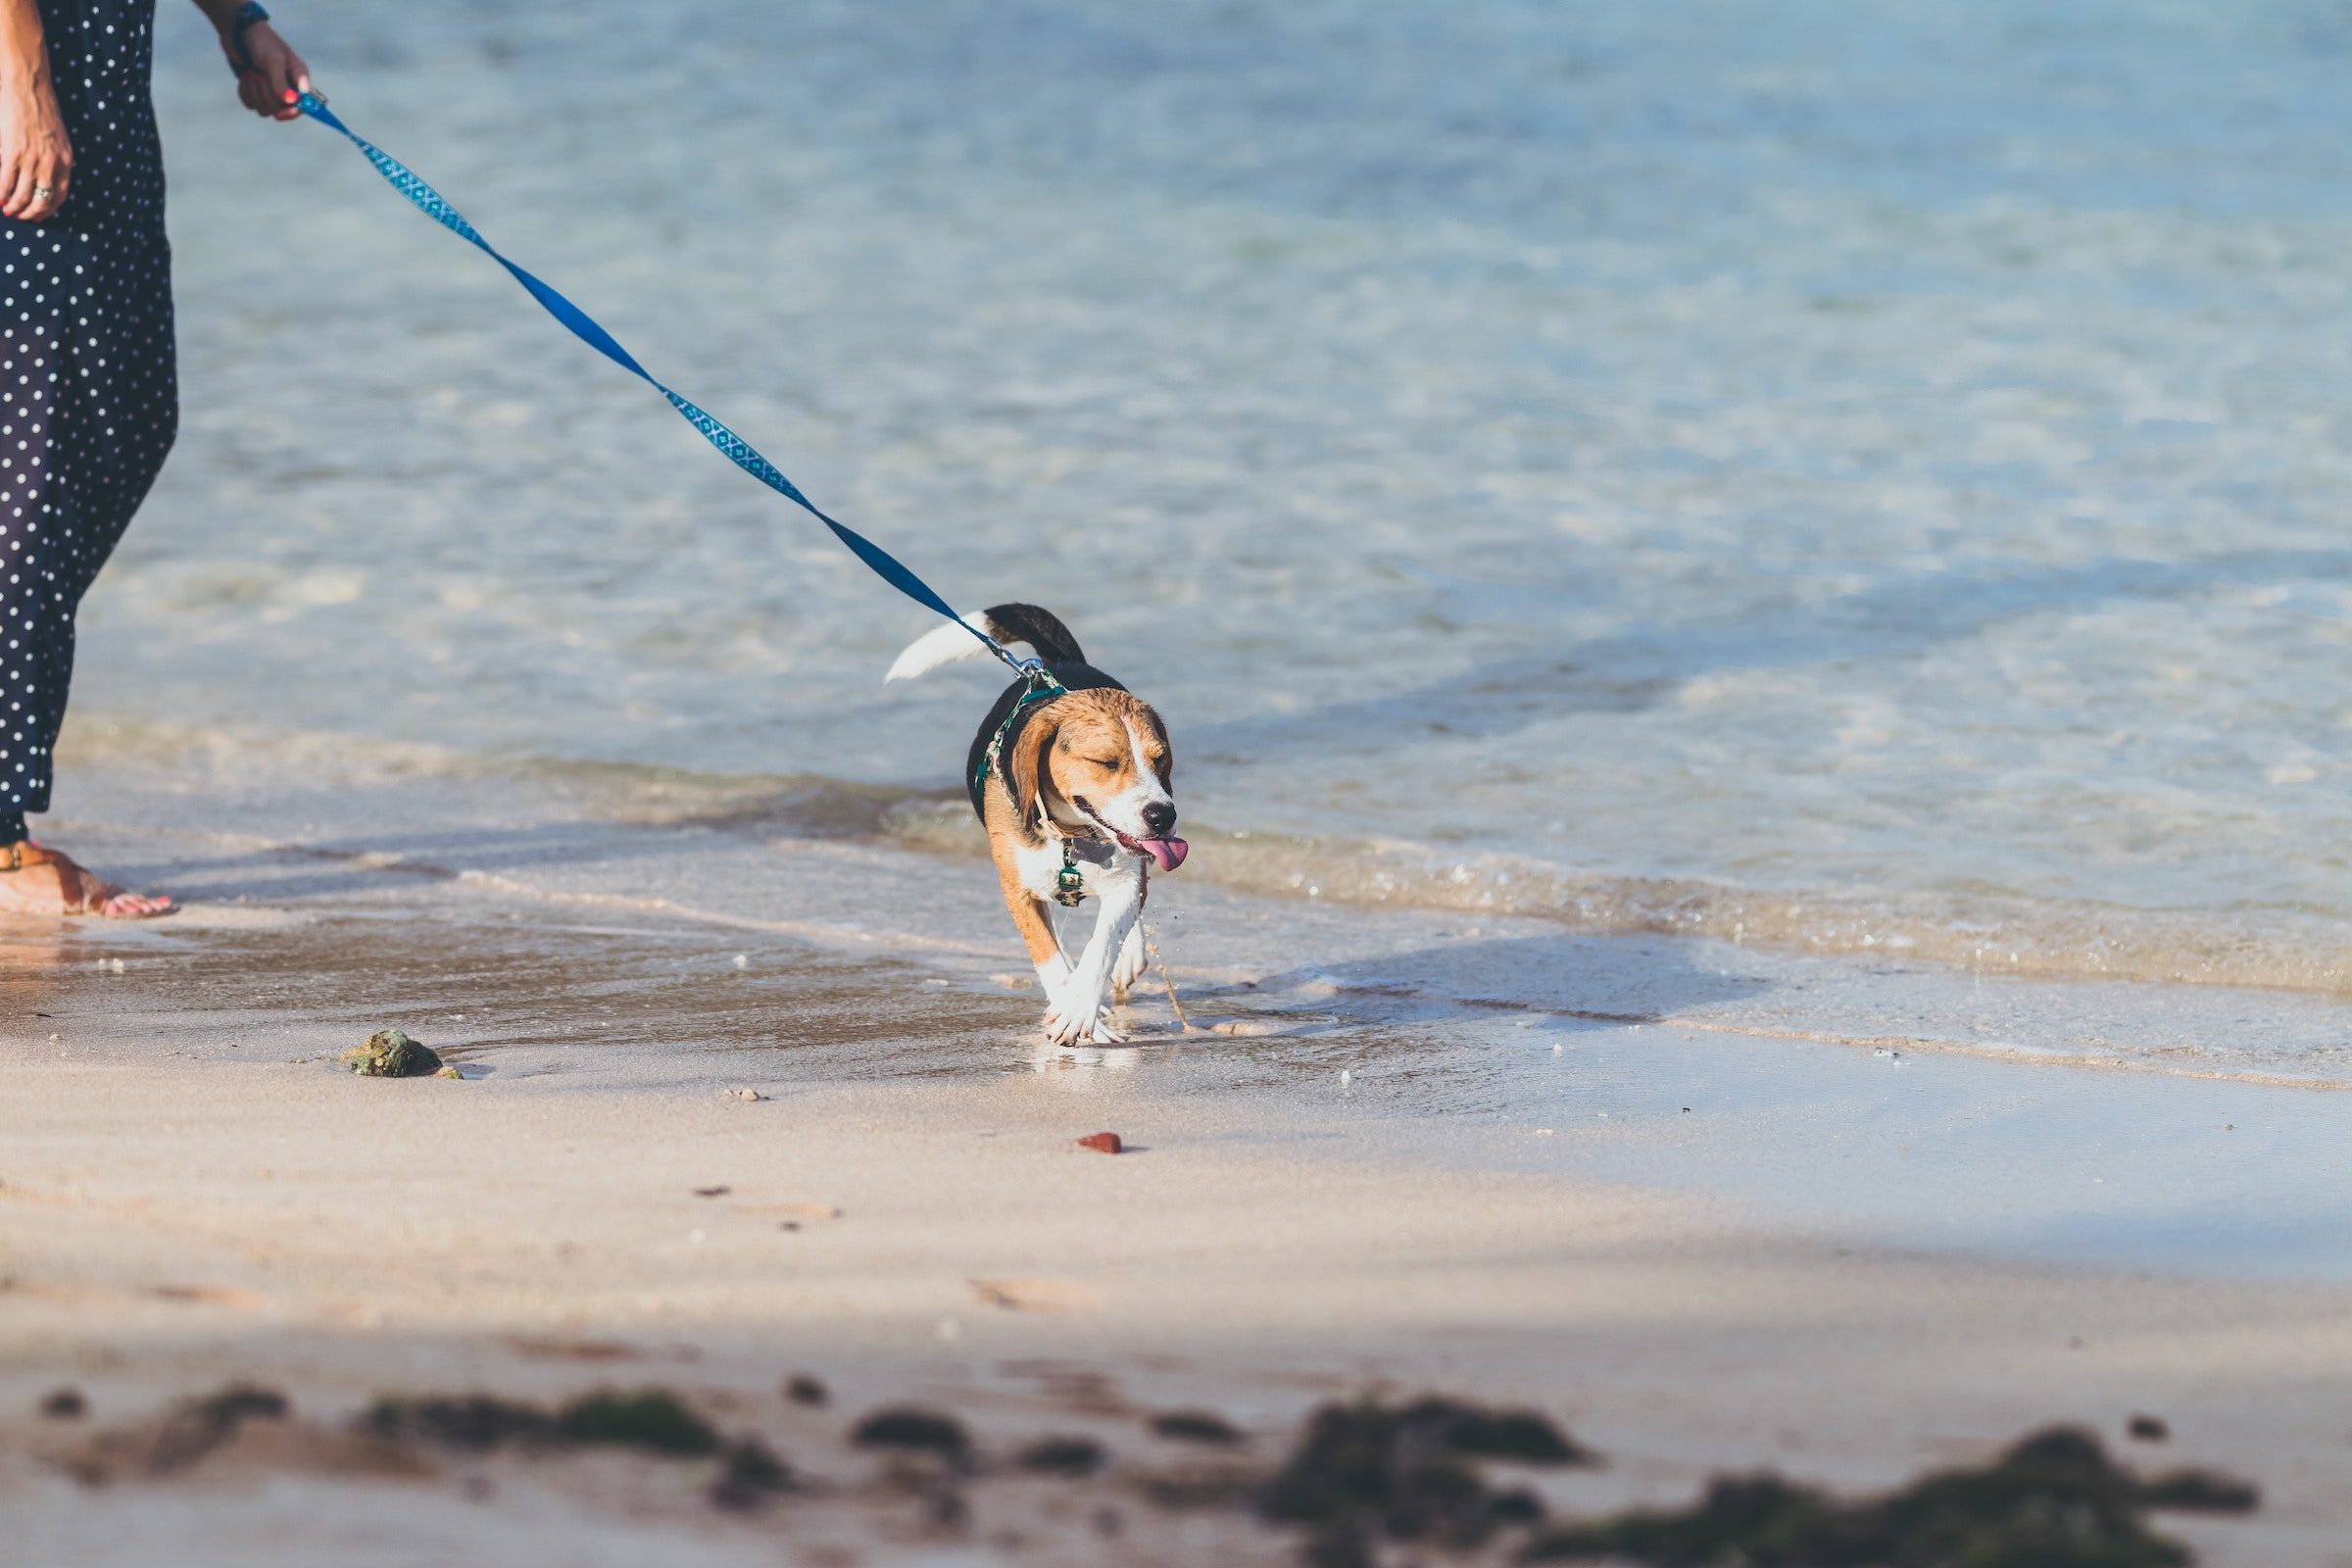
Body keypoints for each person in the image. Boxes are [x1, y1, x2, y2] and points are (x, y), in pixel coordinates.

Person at [0, 0, 306, 916]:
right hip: (28, 89)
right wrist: (22, 85)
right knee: (34, 482)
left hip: (107, 108)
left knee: (134, 419)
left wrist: (239, 23)